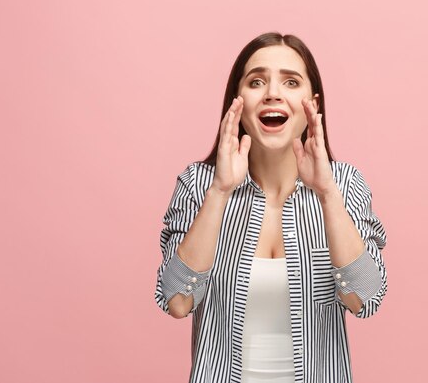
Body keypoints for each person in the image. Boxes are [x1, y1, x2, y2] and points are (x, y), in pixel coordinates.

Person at [155, 32, 388, 383]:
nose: (273, 93)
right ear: (238, 100)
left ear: (312, 103)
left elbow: (365, 299)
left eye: (290, 82)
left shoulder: (344, 186)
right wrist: (219, 191)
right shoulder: (199, 185)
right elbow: (177, 301)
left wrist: (326, 193)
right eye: (257, 81)